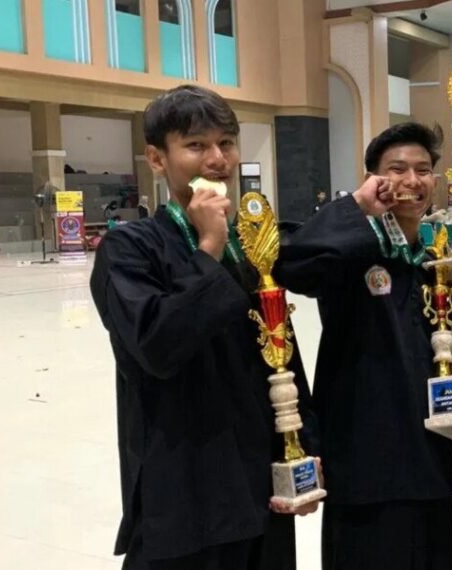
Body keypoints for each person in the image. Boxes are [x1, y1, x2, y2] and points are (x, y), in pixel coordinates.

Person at [90, 85, 320, 570]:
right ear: (157, 158)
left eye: (226, 143)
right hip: (185, 488)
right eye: (196, 145)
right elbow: (158, 345)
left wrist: (305, 448)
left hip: (260, 482)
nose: (217, 159)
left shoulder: (249, 243)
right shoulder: (130, 249)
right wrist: (208, 247)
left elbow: (282, 351)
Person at [274, 123, 452, 570]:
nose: (411, 180)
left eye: (422, 170)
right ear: (372, 179)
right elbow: (289, 263)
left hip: (429, 467)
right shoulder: (350, 253)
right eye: (396, 169)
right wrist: (356, 208)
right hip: (364, 469)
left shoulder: (437, 265)